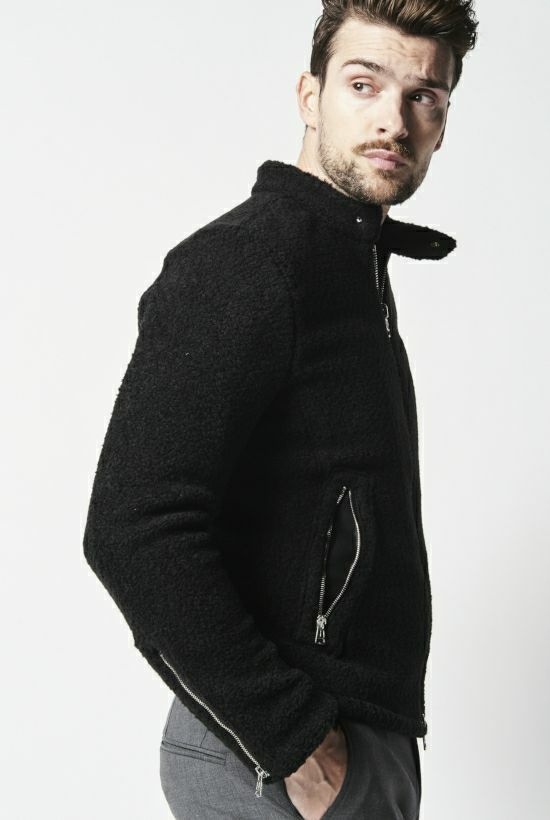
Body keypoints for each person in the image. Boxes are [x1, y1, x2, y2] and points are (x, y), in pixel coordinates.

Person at [83, 1, 478, 817]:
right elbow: (133, 526)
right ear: (309, 96)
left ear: (443, 122)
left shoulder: (349, 266)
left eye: (423, 96)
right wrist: (296, 742)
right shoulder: (249, 263)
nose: (393, 121)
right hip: (275, 750)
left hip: (349, 735)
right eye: (363, 84)